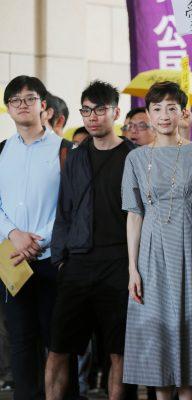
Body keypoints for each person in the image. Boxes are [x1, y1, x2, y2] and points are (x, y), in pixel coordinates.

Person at [46, 80, 136, 400]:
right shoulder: (75, 156)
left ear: (115, 112)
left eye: (99, 110)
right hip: (79, 261)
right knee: (58, 347)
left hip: (120, 262)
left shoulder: (133, 155)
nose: (92, 117)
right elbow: (64, 210)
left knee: (118, 350)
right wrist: (60, 259)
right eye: (86, 110)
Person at [122, 81, 192, 400]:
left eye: (171, 107)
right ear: (149, 115)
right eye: (157, 108)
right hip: (152, 253)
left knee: (189, 333)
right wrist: (132, 268)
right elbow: (134, 214)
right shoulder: (136, 159)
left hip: (189, 247)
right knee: (158, 336)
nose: (164, 115)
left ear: (183, 112)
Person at [0, 75, 73, 400]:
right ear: (9, 109)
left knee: (58, 341)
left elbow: (72, 205)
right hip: (11, 259)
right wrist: (13, 234)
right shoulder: (2, 150)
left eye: (29, 99)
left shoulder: (64, 150)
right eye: (15, 101)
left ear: (43, 105)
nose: (22, 105)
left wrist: (39, 239)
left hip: (51, 259)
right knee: (20, 341)